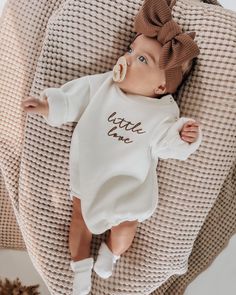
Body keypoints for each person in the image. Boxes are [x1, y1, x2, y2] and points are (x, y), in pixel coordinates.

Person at [21, 0, 203, 294]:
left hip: (128, 188)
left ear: (160, 87)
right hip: (89, 178)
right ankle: (80, 272)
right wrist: (47, 105)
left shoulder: (162, 113)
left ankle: (111, 253)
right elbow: (74, 98)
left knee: (125, 226)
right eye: (131, 51)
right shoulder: (104, 85)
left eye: (142, 60)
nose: (128, 59)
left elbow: (166, 141)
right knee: (79, 222)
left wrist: (184, 136)